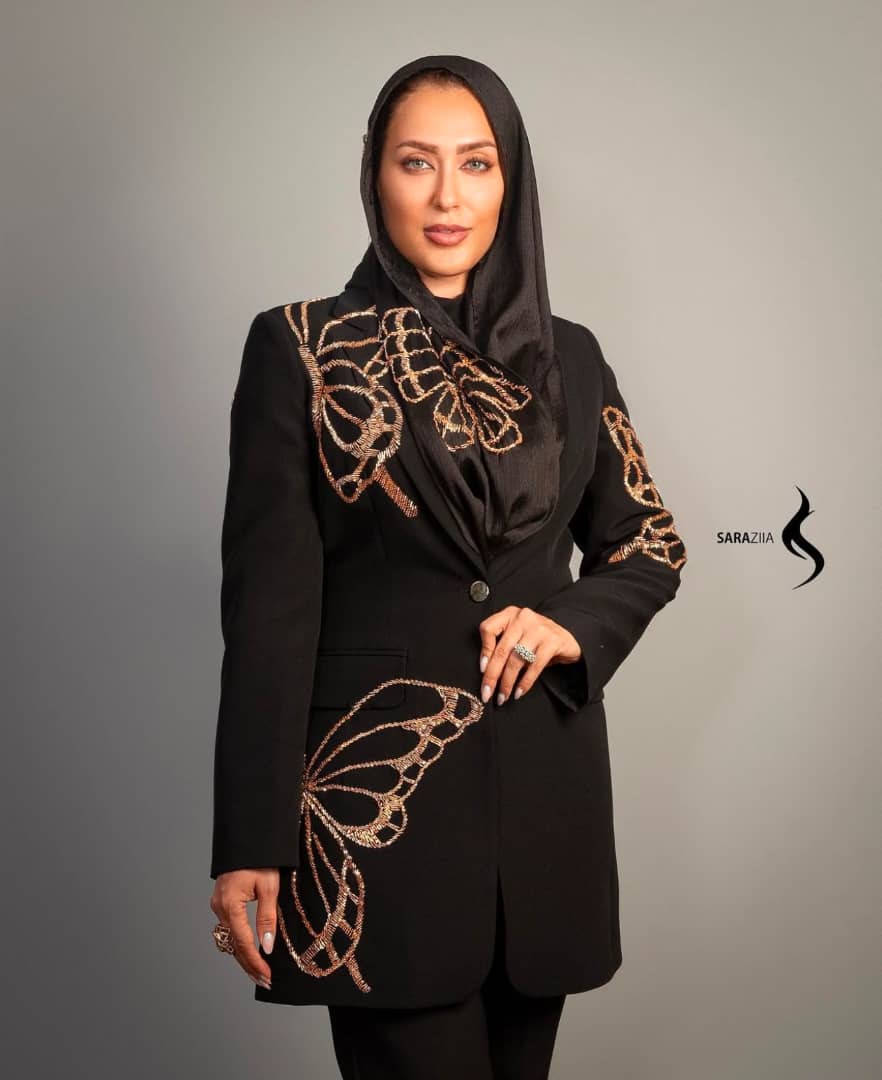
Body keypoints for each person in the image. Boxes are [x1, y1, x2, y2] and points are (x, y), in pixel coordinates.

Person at [208, 54, 687, 1080]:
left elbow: (647, 543)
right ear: (374, 174)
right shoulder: (301, 349)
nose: (446, 196)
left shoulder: (573, 358)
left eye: (476, 163)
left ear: (510, 179)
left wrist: (570, 623)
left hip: (545, 814)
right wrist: (250, 838)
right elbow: (268, 614)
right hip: (378, 833)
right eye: (415, 162)